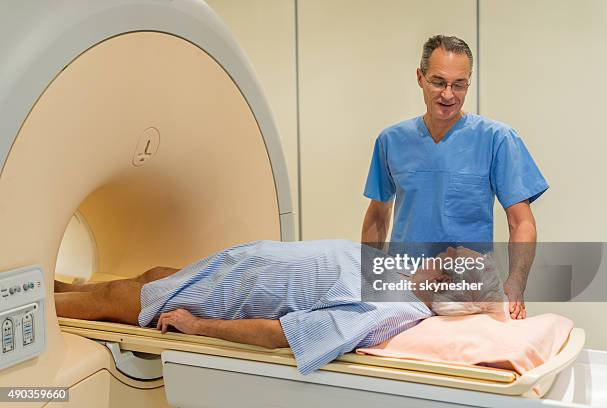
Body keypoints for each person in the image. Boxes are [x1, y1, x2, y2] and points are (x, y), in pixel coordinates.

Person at [55, 240, 500, 375]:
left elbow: (282, 334)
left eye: (444, 258)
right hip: (227, 271)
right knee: (146, 275)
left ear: (445, 280)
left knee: (110, 300)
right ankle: (42, 287)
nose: (436, 255)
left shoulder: (387, 313)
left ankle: (30, 305)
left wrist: (198, 326)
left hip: (218, 299)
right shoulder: (400, 280)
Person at [362, 35, 548, 320]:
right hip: (405, 285)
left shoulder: (497, 139)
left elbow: (521, 221)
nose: (448, 95)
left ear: (468, 83)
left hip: (471, 290)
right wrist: (369, 279)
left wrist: (516, 283)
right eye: (438, 82)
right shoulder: (391, 141)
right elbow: (377, 216)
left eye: (459, 84)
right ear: (420, 78)